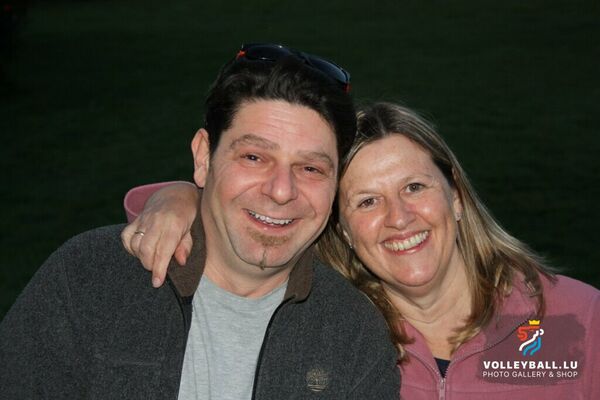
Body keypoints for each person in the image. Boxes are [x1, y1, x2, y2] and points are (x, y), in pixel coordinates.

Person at [0, 44, 400, 399]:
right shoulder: (90, 280)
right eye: (254, 157)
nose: (282, 191)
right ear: (204, 157)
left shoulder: (353, 335)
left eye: (310, 168)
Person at [123, 102, 599, 399]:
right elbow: (239, 234)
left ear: (455, 196)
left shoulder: (578, 318)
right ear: (344, 230)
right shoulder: (341, 333)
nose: (399, 218)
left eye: (414, 187)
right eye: (368, 201)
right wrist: (179, 198)